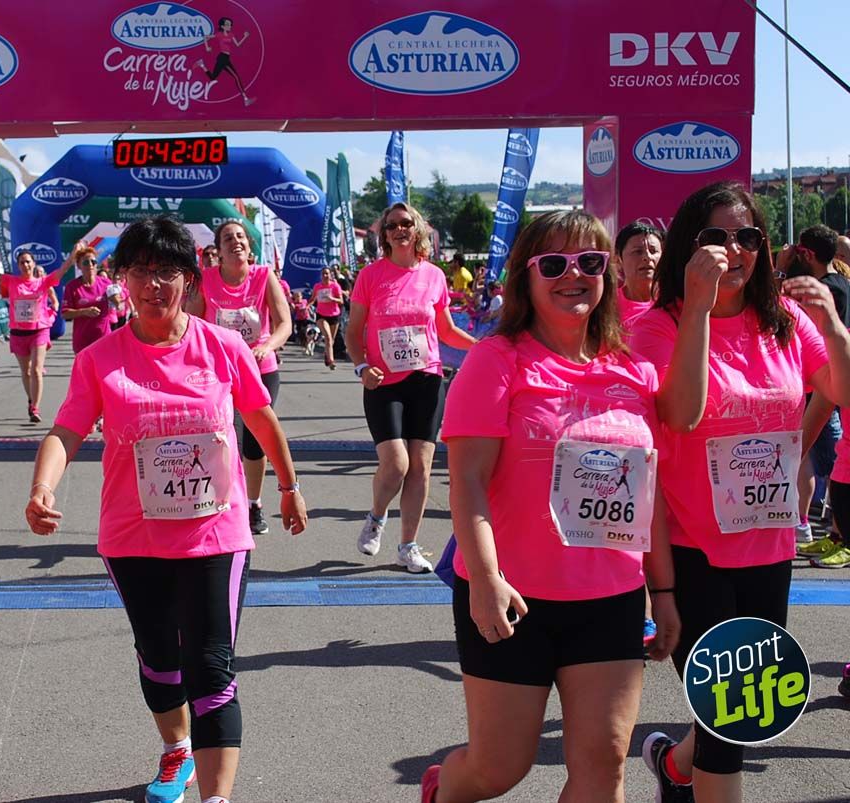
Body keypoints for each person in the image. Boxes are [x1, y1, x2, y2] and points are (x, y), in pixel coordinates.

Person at [25, 215, 306, 803]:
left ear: (191, 278)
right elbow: (67, 429)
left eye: (169, 272)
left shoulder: (223, 347)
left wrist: (287, 484)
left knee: (211, 666)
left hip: (215, 533)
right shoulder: (100, 359)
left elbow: (260, 416)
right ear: (122, 278)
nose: (155, 285)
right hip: (133, 535)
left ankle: (216, 797)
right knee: (159, 660)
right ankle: (176, 748)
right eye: (142, 272)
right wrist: (43, 486)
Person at [422, 209, 679, 803]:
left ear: (607, 274)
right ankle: (444, 788)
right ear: (526, 276)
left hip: (610, 598)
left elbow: (650, 497)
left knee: (604, 764)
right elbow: (468, 483)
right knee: (498, 769)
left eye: (589, 262)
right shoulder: (497, 360)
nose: (574, 275)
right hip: (512, 596)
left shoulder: (635, 371)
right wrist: (485, 579)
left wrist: (662, 592)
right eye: (554, 263)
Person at [630, 181, 850, 803]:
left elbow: (844, 388)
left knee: (740, 708)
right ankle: (684, 773)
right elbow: (682, 415)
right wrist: (697, 309)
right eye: (716, 238)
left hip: (770, 543)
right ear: (687, 246)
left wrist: (832, 324)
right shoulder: (658, 326)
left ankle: (675, 768)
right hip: (692, 546)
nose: (734, 250)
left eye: (748, 237)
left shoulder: (780, 320)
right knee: (732, 718)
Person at [345, 202, 475, 573]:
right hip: (382, 381)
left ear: (417, 229)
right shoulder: (370, 276)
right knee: (396, 464)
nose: (399, 229)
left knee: (420, 465)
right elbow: (354, 333)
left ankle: (408, 546)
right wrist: (361, 367)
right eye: (392, 226)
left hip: (427, 377)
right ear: (384, 235)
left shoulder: (434, 275)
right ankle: (376, 515)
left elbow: (446, 330)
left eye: (406, 223)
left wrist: (481, 346)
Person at [187, 221, 291, 536]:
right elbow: (191, 322)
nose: (236, 242)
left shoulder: (263, 276)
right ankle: (218, 500)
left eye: (241, 237)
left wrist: (266, 346)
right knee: (219, 438)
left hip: (260, 370)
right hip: (217, 373)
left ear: (249, 244)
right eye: (229, 238)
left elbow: (284, 323)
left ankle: (253, 502)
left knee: (255, 443)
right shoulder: (206, 280)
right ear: (218, 249)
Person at [779, 225, 850, 564]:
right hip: (831, 382)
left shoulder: (819, 290)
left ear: (807, 254)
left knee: (825, 460)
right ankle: (836, 533)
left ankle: (830, 532)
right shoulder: (841, 284)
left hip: (824, 383)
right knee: (834, 463)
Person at [0, 240, 65, 423]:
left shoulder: (43, 282)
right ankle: (31, 399)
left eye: (28, 261)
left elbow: (62, 271)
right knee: (25, 372)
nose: (25, 265)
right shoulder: (11, 281)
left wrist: (73, 256)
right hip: (19, 333)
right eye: (22, 262)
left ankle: (35, 407)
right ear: (18, 266)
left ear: (33, 264)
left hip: (39, 330)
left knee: (36, 370)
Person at [61, 243, 117, 354]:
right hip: (83, 340)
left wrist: (116, 299)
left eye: (93, 262)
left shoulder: (106, 283)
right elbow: (65, 314)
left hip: (103, 337)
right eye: (86, 262)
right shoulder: (72, 286)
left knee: (104, 370)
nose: (90, 265)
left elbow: (117, 303)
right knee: (85, 371)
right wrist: (84, 312)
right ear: (78, 266)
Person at [192, 17, 254, 106]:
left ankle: (201, 64)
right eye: (227, 24)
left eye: (230, 24)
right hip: (222, 58)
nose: (230, 26)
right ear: (222, 26)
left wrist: (245, 37)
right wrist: (207, 47)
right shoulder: (219, 34)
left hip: (226, 58)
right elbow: (205, 37)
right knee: (236, 77)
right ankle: (245, 99)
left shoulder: (231, 35)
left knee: (213, 77)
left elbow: (238, 45)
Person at [613, 221, 664, 326]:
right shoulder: (607, 306)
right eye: (637, 252)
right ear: (618, 260)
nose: (647, 257)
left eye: (653, 251)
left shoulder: (673, 304)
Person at [312, 267, 345, 369]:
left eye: (327, 274)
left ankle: (327, 354)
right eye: (323, 274)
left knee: (332, 339)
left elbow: (341, 301)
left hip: (334, 315)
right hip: (321, 315)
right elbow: (313, 299)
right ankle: (331, 361)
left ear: (331, 275)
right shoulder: (317, 286)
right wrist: (308, 305)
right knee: (328, 337)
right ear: (321, 275)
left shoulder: (335, 286)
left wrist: (332, 299)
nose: (325, 276)